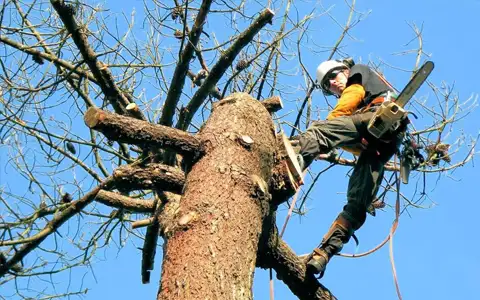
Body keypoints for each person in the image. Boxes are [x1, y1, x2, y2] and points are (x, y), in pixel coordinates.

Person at [296, 59, 405, 277]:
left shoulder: (358, 74)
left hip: (376, 115)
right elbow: (348, 137)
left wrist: (331, 123)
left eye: (333, 77)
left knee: (319, 131)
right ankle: (324, 253)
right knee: (357, 203)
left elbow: (351, 96)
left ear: (345, 70)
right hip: (381, 146)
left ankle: (291, 164)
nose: (332, 85)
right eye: (327, 85)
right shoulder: (359, 94)